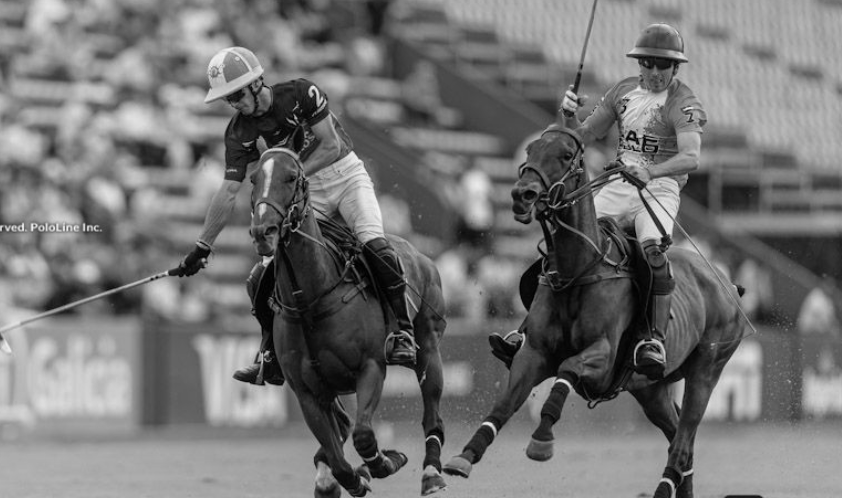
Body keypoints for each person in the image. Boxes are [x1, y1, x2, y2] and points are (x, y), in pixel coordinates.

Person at [175, 46, 418, 386]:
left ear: (257, 82)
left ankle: (403, 331)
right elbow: (229, 190)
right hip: (303, 191)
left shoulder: (301, 93)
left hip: (344, 176)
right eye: (228, 100)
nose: (235, 104)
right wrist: (203, 245)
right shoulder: (239, 133)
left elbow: (330, 145)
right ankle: (269, 353)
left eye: (237, 95)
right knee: (262, 273)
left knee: (372, 242)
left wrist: (291, 172)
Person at [490, 23, 706, 379]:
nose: (653, 72)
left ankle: (653, 339)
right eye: (647, 64)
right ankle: (527, 331)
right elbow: (583, 137)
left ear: (675, 68)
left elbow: (691, 157)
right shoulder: (622, 91)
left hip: (660, 188)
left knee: (653, 250)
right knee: (568, 241)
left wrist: (651, 173)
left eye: (661, 66)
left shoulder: (684, 103)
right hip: (619, 183)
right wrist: (569, 114)